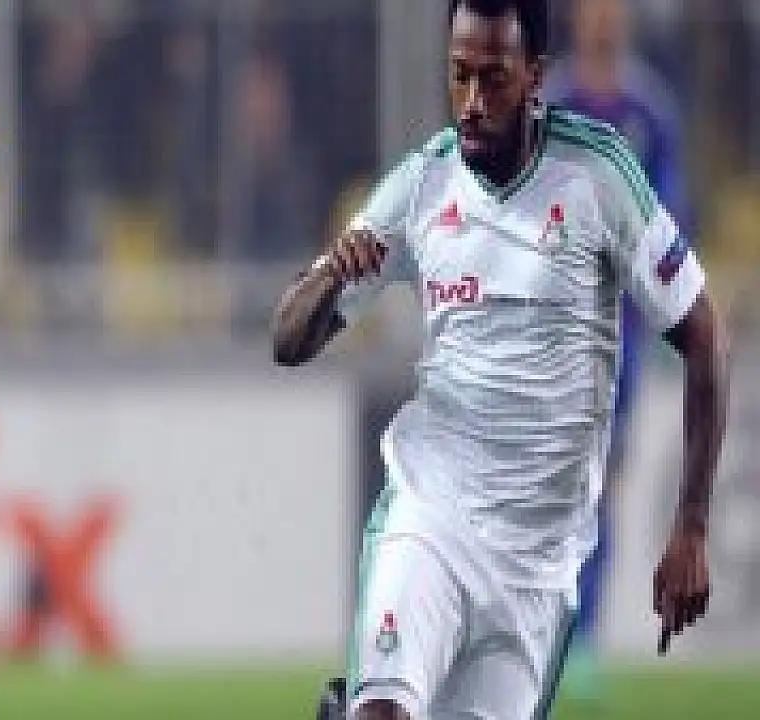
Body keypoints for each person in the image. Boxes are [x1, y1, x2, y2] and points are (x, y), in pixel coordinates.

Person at [275, 1, 728, 718]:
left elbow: (705, 337)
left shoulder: (598, 175)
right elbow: (287, 341)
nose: (472, 101)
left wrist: (692, 526)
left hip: (536, 573)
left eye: (494, 79)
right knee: (384, 709)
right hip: (432, 519)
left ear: (535, 76)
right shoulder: (422, 183)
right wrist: (330, 277)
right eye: (459, 76)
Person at [543, 0, 690, 698]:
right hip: (552, 332)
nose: (602, 20)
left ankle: (582, 637)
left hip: (619, 337)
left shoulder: (650, 113)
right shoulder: (552, 105)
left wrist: (666, 313)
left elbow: (671, 217)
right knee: (545, 486)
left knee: (597, 488)